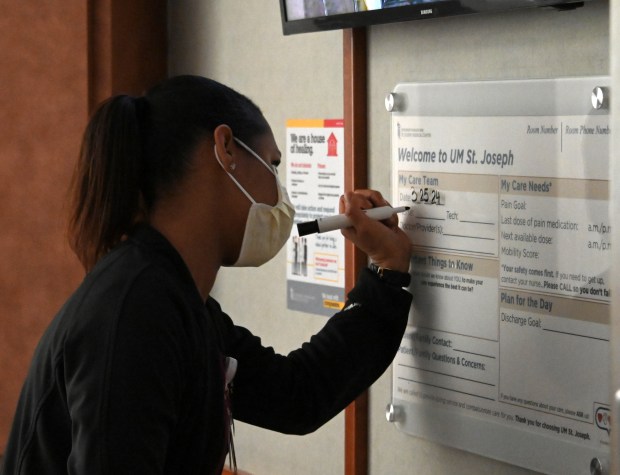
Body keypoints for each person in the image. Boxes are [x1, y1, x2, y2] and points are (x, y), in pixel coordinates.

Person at [1, 75, 412, 475]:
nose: (278, 197)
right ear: (226, 149)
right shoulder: (136, 310)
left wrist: (386, 270)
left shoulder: (175, 297)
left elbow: (296, 395)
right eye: (272, 166)